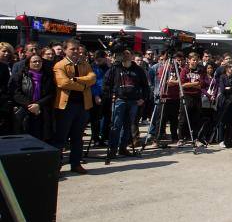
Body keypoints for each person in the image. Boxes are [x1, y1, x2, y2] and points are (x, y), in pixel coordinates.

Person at [53, 39, 97, 174]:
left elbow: (93, 78)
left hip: (83, 106)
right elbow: (63, 83)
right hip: (66, 107)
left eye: (77, 49)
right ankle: (57, 166)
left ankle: (76, 163)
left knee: (78, 137)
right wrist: (84, 85)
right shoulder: (60, 65)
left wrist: (77, 80)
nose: (76, 51)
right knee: (61, 138)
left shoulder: (85, 64)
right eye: (73, 49)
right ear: (65, 50)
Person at [102, 49, 150, 160]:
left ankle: (123, 148)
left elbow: (145, 86)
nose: (126, 56)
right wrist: (110, 96)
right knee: (116, 125)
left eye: (128, 53)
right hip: (119, 100)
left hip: (133, 101)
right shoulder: (115, 68)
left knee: (128, 126)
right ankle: (113, 149)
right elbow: (106, 83)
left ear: (132, 55)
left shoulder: (138, 70)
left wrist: (143, 98)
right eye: (123, 53)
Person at [10, 54, 55, 140]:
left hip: (41, 111)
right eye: (34, 61)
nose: (37, 63)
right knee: (24, 138)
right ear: (28, 63)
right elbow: (16, 94)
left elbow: (51, 94)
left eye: (39, 61)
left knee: (40, 138)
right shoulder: (20, 76)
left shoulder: (47, 76)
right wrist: (31, 105)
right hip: (25, 110)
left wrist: (38, 105)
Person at [178, 52, 208, 145]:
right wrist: (195, 84)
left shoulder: (201, 70)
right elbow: (182, 84)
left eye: (196, 60)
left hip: (197, 96)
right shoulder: (184, 70)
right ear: (189, 60)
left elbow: (202, 84)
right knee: (184, 118)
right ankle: (181, 138)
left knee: (196, 118)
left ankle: (195, 138)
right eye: (193, 60)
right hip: (187, 96)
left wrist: (191, 85)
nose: (195, 62)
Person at [0, 42, 15, 135]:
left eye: (8, 52)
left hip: (4, 102)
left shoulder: (7, 66)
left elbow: (7, 85)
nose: (6, 54)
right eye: (4, 51)